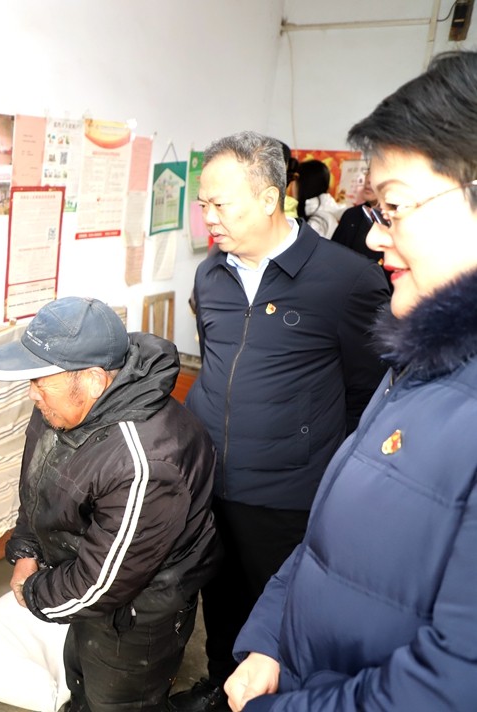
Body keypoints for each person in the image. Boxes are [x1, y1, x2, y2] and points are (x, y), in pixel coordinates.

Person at [223, 49, 477, 712]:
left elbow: (451, 684)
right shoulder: (419, 364)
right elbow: (327, 540)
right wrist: (271, 640)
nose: (372, 237)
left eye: (395, 207)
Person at [169, 131, 390, 712]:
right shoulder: (211, 275)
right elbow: (219, 363)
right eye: (203, 204)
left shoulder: (346, 280)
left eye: (221, 204)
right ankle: (219, 687)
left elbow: (368, 393)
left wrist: (320, 461)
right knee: (219, 599)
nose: (208, 217)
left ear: (270, 198)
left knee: (281, 617)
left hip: (289, 496)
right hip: (211, 481)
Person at [0, 297, 220, 712]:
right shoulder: (61, 407)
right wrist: (27, 549)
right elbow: (37, 485)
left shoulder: (145, 463)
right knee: (81, 677)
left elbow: (100, 584)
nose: (32, 394)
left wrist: (34, 593)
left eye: (40, 381)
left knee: (118, 700)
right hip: (92, 583)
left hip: (139, 611)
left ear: (92, 380)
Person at [330, 167, 385, 267]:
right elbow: (331, 258)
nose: (369, 180)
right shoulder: (351, 215)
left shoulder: (396, 223)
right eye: (368, 172)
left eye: (379, 173)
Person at [295, 159, 344, 237]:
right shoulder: (321, 211)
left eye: (295, 180)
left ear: (303, 184)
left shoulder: (318, 221)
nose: (292, 185)